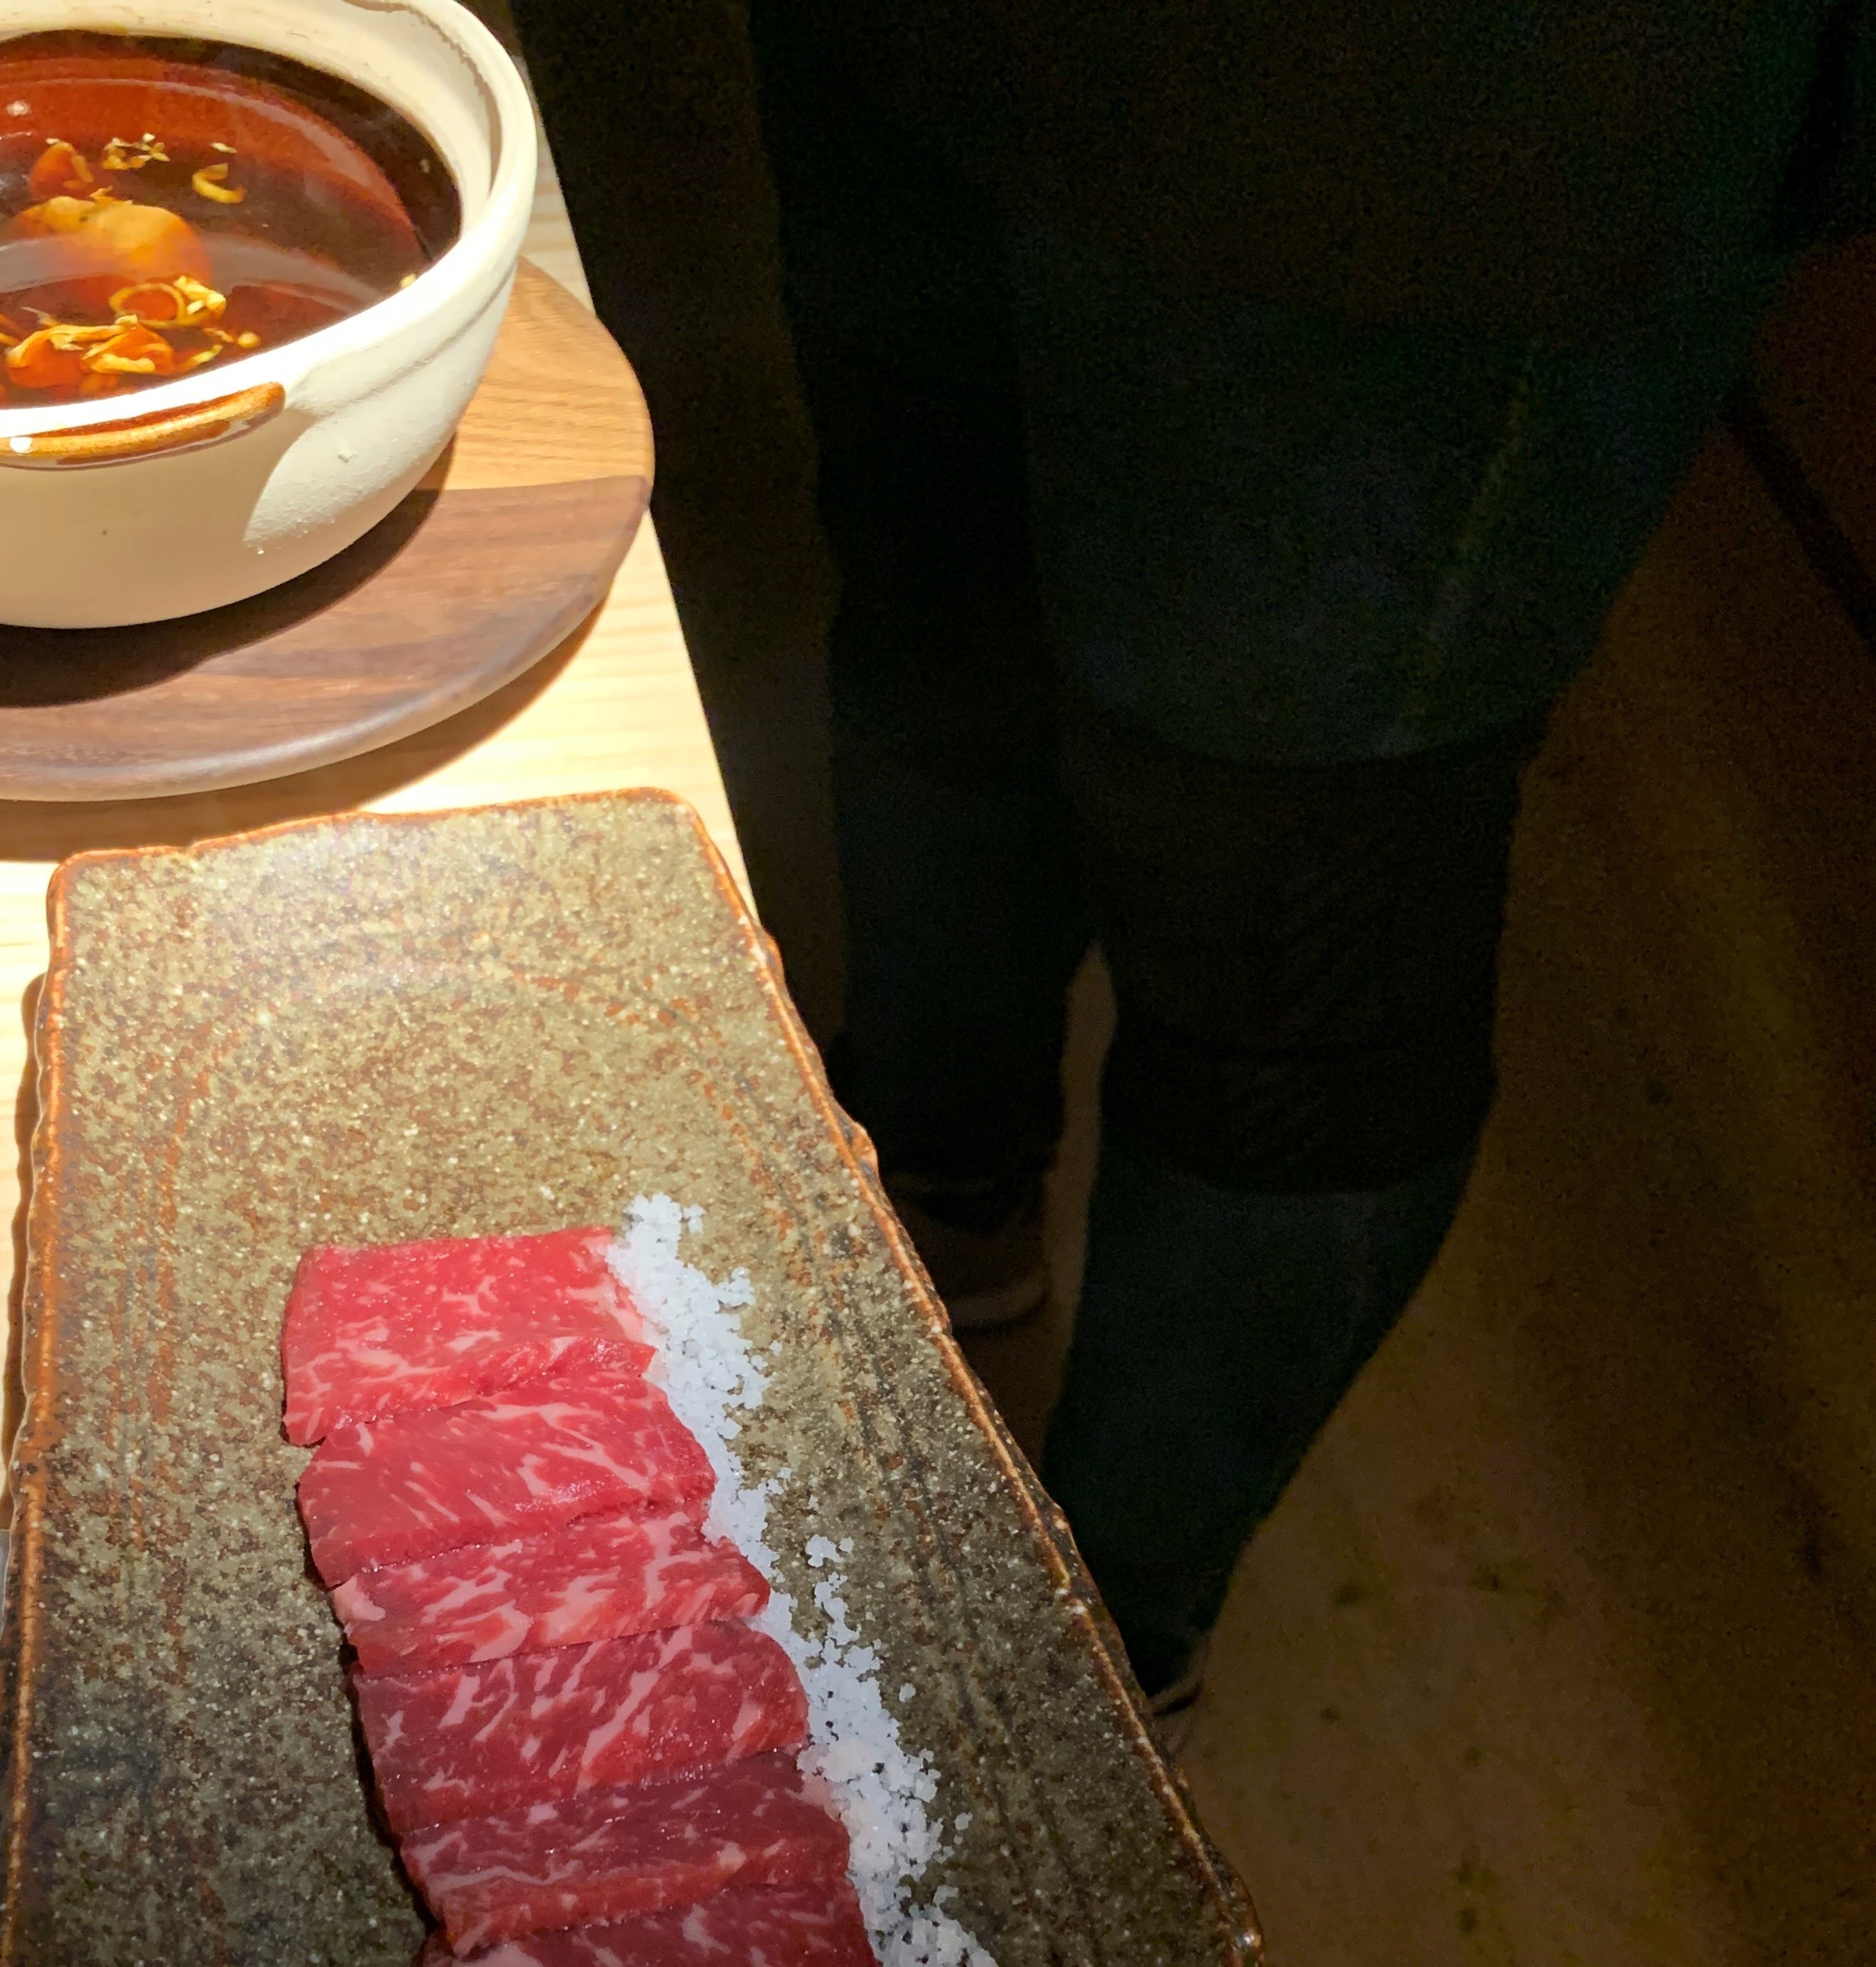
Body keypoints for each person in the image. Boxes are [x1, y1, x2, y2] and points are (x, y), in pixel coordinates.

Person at [519, 0, 1873, 1717]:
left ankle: (1097, 1652)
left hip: (1483, 112)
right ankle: (931, 1209)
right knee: (942, 628)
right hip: (937, 47)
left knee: (1292, 933)